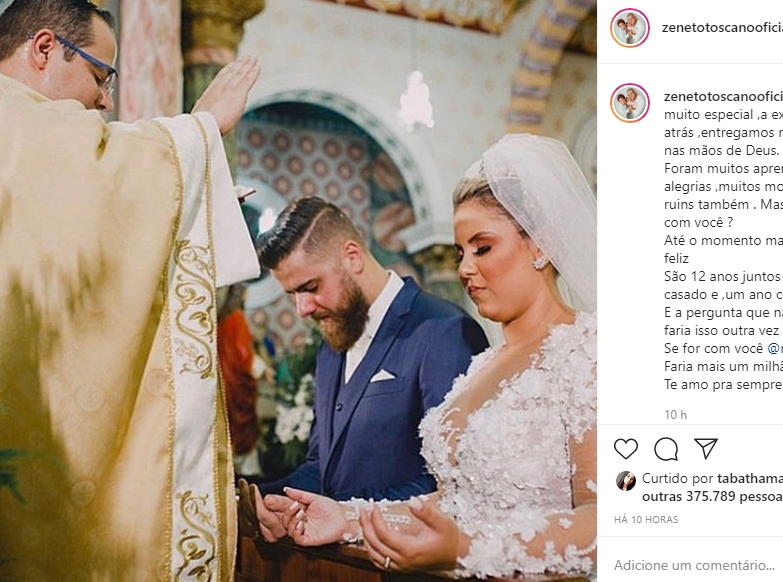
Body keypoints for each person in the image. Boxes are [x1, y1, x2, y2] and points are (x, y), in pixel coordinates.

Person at [0, 1, 260, 580]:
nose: (104, 100)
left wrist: (189, 204)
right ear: (44, 49)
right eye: (100, 75)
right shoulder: (16, 122)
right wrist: (202, 129)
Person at [266, 134, 597, 578]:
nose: (464, 268)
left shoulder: (587, 352)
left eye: (483, 248)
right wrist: (348, 519)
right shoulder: (481, 368)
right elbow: (456, 502)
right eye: (460, 252)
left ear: (541, 245)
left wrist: (466, 549)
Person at [248, 196, 489, 542]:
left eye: (310, 287)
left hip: (409, 558)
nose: (302, 308)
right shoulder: (331, 344)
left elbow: (454, 484)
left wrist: (347, 516)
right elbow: (321, 465)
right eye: (292, 294)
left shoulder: (443, 331)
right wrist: (263, 499)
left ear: (352, 256)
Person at [218, 283, 274, 477]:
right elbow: (244, 356)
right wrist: (263, 369)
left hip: (224, 381)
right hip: (236, 382)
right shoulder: (235, 318)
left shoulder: (219, 319)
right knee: (243, 427)